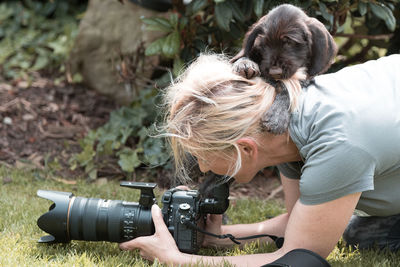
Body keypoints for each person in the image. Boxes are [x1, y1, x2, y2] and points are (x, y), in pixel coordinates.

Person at [119, 53, 400, 266]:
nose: (203, 167)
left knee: (364, 234)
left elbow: (300, 257)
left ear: (246, 149)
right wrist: (215, 238)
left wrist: (181, 260)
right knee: (362, 234)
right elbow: (296, 223)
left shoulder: (336, 143)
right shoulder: (284, 121)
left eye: (204, 156)